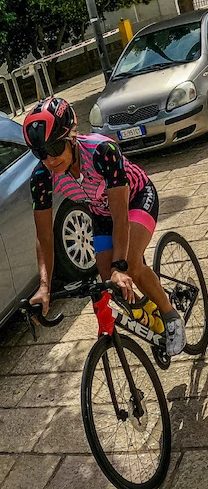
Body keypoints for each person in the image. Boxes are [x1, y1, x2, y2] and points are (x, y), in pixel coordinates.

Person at [24, 97, 186, 356]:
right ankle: (148, 310)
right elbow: (43, 235)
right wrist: (44, 286)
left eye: (55, 147)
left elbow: (121, 217)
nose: (50, 159)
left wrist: (119, 265)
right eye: (40, 152)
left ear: (72, 138)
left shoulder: (102, 152)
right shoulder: (42, 177)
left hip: (136, 199)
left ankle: (170, 315)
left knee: (129, 265)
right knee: (107, 283)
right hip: (100, 213)